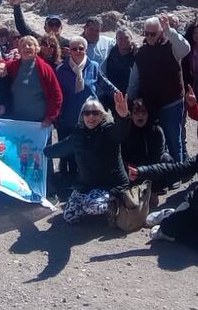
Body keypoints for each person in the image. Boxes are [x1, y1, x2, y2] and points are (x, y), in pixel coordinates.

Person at [44, 95, 132, 224]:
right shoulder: (78, 133)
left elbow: (121, 131)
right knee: (69, 216)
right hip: (87, 184)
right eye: (87, 113)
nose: (91, 116)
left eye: (95, 113)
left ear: (102, 115)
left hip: (111, 185)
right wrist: (40, 151)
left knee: (92, 206)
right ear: (82, 115)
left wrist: (124, 117)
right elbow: (59, 149)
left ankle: (115, 203)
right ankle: (90, 203)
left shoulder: (109, 131)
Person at [127, 14, 191, 163]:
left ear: (161, 32)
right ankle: (160, 172)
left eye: (153, 33)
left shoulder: (171, 46)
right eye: (146, 33)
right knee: (156, 137)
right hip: (151, 103)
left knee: (173, 138)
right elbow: (135, 79)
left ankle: (176, 171)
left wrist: (169, 29)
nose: (149, 37)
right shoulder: (141, 53)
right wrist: (129, 100)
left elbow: (185, 48)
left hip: (172, 101)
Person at [55, 36, 112, 188]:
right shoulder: (61, 69)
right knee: (67, 153)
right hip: (67, 117)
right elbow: (55, 93)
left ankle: (84, 182)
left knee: (86, 152)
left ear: (86, 49)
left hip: (89, 118)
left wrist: (118, 95)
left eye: (81, 48)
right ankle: (67, 182)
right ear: (69, 51)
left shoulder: (93, 65)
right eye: (74, 48)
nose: (78, 51)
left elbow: (104, 83)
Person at [6, 35, 63, 128]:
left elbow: (57, 95)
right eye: (23, 46)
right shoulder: (14, 66)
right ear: (19, 50)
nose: (27, 47)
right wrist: (2, 65)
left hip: (40, 123)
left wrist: (50, 118)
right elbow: (0, 62)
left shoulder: (45, 68)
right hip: (17, 121)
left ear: (36, 49)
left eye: (30, 45)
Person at [120, 98, 172, 194]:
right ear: (131, 115)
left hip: (151, 169)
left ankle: (158, 187)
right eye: (136, 112)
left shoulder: (157, 131)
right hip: (132, 170)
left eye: (143, 112)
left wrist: (143, 171)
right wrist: (130, 168)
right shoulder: (125, 131)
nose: (140, 115)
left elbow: (157, 157)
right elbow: (121, 156)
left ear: (148, 114)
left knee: (166, 158)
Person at [101, 27, 136, 110]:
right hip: (112, 94)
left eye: (126, 38)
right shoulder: (111, 51)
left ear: (131, 39)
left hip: (131, 96)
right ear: (116, 40)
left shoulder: (136, 54)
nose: (123, 40)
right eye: (120, 38)